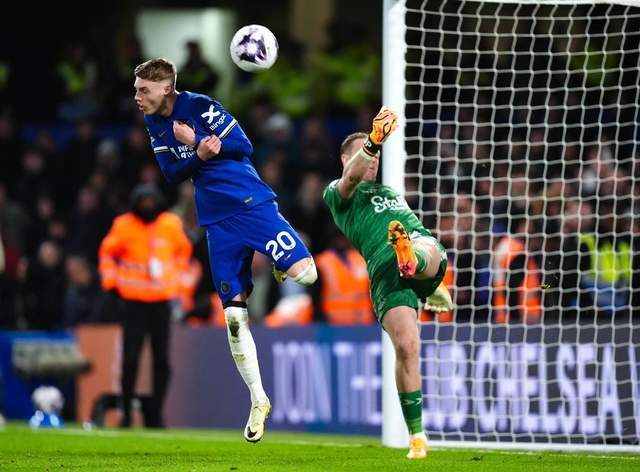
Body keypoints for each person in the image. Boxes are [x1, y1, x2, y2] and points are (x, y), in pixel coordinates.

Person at [133, 58, 317, 442]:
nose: (137, 96)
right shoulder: (153, 122)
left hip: (250, 203)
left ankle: (281, 264)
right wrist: (198, 155)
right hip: (217, 223)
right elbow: (170, 173)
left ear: (166, 88)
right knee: (233, 317)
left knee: (306, 275)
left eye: (143, 90)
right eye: (137, 89)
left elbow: (243, 145)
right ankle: (258, 399)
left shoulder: (200, 106)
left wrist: (197, 143)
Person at [322, 107, 453, 459]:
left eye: (376, 155)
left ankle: (414, 263)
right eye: (366, 154)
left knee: (425, 247)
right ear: (346, 159)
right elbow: (351, 177)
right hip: (383, 269)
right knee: (407, 346)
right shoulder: (337, 194)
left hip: (417, 243)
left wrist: (373, 144)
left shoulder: (390, 191)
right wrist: (373, 140)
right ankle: (417, 438)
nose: (373, 161)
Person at [98, 184, 192, 428]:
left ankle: (156, 414)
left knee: (162, 361)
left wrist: (179, 285)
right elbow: (107, 253)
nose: (148, 206)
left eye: (151, 201)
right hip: (133, 301)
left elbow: (184, 253)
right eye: (143, 202)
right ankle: (126, 413)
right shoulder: (123, 225)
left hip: (161, 301)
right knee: (130, 359)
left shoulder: (171, 224)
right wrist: (110, 283)